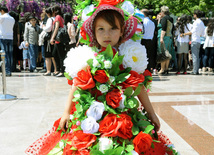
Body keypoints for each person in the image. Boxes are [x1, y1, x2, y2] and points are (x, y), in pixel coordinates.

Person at [25, 1, 176, 155]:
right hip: (91, 118)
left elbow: (138, 86)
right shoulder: (88, 57)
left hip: (122, 119)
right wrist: (66, 113)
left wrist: (151, 113)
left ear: (122, 31)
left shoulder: (127, 57)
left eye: (113, 29)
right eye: (101, 29)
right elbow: (76, 85)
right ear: (94, 32)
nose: (107, 34)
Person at [182, 10, 205, 75]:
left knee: (194, 56)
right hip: (199, 41)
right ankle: (196, 70)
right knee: (197, 57)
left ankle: (195, 71)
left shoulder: (196, 22)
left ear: (195, 15)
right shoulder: (201, 22)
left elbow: (192, 32)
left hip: (194, 40)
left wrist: (184, 34)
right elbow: (202, 34)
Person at [157, 6, 175, 75]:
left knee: (163, 53)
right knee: (168, 53)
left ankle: (162, 69)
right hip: (169, 37)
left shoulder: (164, 18)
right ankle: (166, 68)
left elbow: (163, 29)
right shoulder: (171, 18)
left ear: (162, 11)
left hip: (164, 37)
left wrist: (161, 38)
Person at [50, 5, 66, 77]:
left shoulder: (57, 17)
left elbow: (56, 28)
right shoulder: (61, 17)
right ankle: (59, 70)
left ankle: (62, 71)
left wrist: (52, 38)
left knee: (60, 56)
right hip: (59, 39)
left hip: (58, 39)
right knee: (55, 54)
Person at [42, 7, 58, 76]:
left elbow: (48, 29)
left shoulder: (49, 19)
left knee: (48, 56)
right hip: (55, 39)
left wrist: (43, 27)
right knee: (54, 56)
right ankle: (55, 70)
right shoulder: (56, 18)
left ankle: (48, 71)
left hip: (49, 39)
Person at [0, 5, 15, 76]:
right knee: (10, 54)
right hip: (10, 37)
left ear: (2, 11)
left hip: (3, 37)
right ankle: (9, 70)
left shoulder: (2, 17)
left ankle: (7, 71)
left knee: (4, 55)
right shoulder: (12, 18)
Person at [141, 9, 155, 73]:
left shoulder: (143, 21)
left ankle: (144, 69)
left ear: (143, 14)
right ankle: (149, 69)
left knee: (143, 56)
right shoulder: (152, 22)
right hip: (150, 40)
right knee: (149, 55)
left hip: (144, 40)